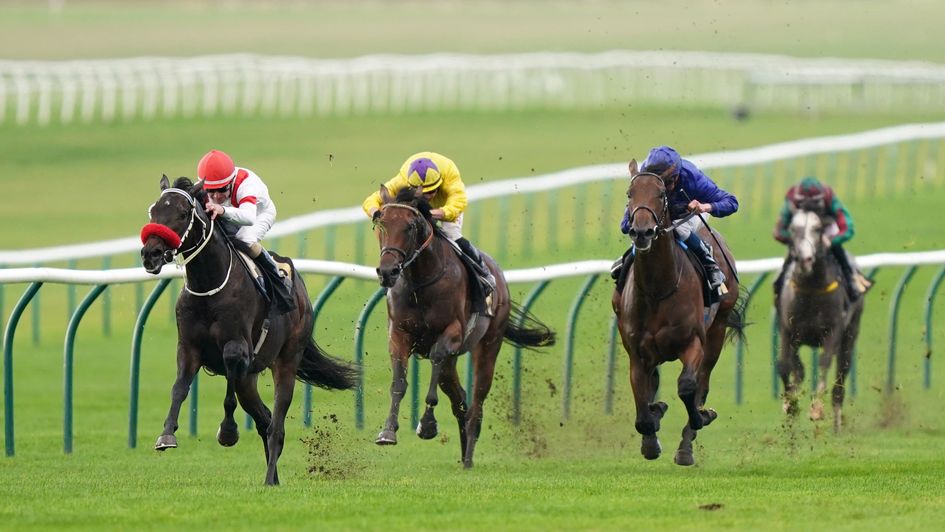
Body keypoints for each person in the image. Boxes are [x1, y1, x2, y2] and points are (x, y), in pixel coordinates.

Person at [362, 151, 496, 313]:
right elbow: (371, 200)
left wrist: (436, 213)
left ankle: (483, 274)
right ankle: (393, 275)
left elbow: (459, 203)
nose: (428, 198)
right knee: (399, 235)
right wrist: (375, 212)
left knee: (452, 235)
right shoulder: (404, 177)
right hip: (414, 206)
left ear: (439, 184)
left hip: (446, 206)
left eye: (431, 192)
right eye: (423, 194)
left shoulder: (449, 174)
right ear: (411, 186)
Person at [611, 145, 738, 293]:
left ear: (678, 175)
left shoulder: (692, 177)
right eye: (663, 182)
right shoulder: (646, 176)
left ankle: (709, 264)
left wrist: (705, 207)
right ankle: (627, 261)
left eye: (669, 181)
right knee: (641, 226)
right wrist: (631, 222)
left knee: (679, 228)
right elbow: (626, 224)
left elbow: (731, 202)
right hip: (659, 211)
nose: (667, 186)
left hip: (689, 211)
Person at [198, 149, 294, 314]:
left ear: (231, 182)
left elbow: (249, 217)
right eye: (210, 191)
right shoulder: (207, 188)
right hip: (230, 214)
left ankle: (278, 277)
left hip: (259, 214)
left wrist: (221, 210)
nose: (215, 196)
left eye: (221, 190)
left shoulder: (246, 184)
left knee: (245, 239)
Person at [773, 176, 866, 301]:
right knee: (787, 265)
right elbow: (778, 231)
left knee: (840, 254)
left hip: (825, 230)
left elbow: (848, 228)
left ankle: (851, 283)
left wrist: (831, 241)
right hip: (801, 233)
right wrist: (796, 241)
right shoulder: (791, 198)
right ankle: (779, 288)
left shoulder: (829, 197)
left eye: (814, 206)